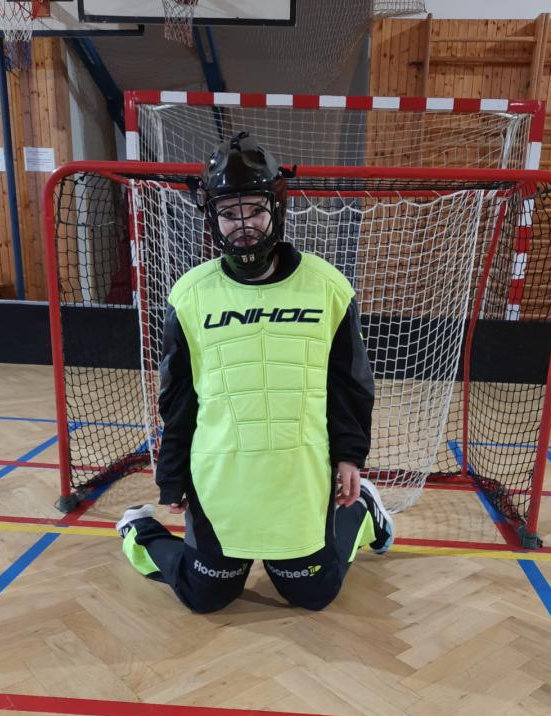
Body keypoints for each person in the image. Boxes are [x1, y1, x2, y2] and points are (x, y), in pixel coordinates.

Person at [116, 131, 393, 614]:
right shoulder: (189, 295)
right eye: (229, 213)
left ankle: (365, 509)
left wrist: (350, 457)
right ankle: (137, 527)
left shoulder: (328, 287)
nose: (242, 224)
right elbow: (178, 396)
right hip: (221, 478)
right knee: (205, 596)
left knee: (313, 593)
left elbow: (348, 384)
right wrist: (171, 476)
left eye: (254, 210)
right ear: (211, 217)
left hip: (300, 478)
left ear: (277, 208)